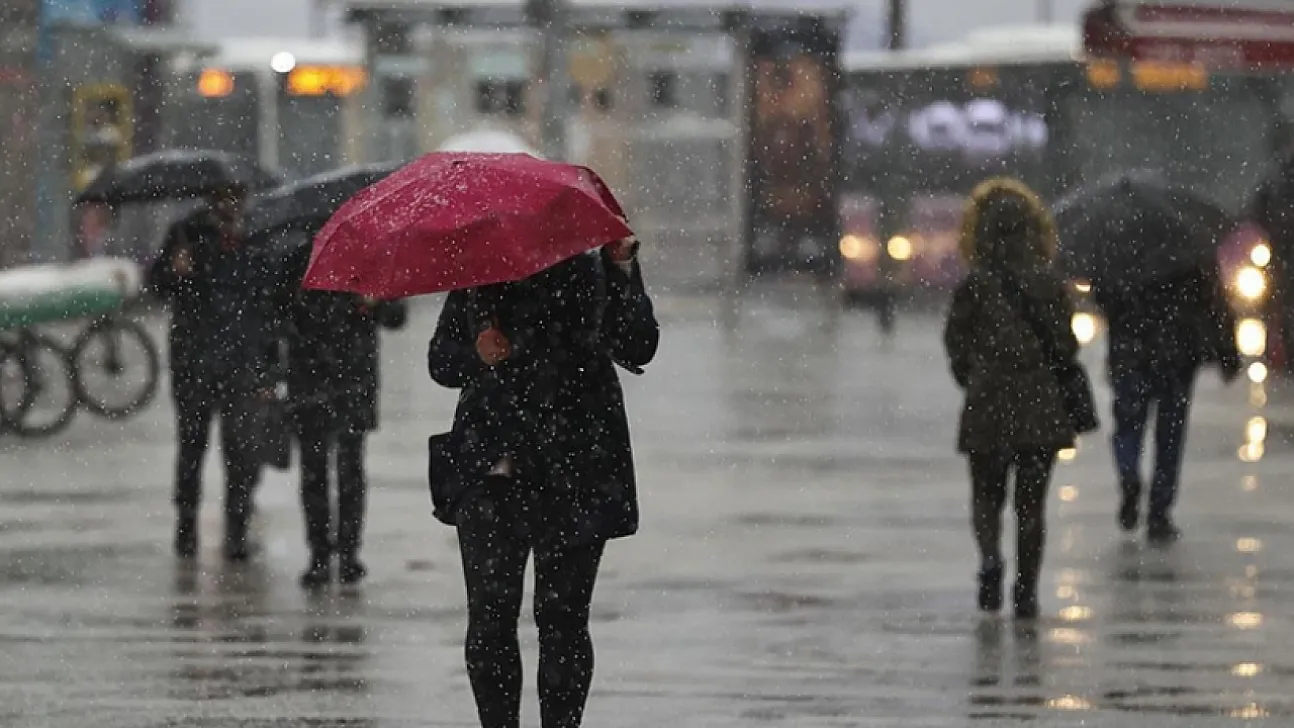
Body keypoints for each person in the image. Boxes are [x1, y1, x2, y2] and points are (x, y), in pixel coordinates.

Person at [427, 238, 658, 728]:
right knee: (491, 618)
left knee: (564, 621)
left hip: (577, 470)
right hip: (493, 472)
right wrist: (477, 351)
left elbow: (639, 344)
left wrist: (620, 267)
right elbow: (441, 363)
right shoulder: (479, 276)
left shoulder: (596, 273)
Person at [943, 178, 1078, 619]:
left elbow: (955, 343)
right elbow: (1066, 344)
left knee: (986, 495)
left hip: (988, 402)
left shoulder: (975, 284)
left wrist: (974, 376)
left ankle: (989, 559)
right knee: (1031, 505)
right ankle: (1026, 590)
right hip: (1040, 406)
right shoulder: (1048, 282)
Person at [147, 183, 276, 561]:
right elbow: (155, 286)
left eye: (237, 197)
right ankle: (186, 527)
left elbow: (268, 307)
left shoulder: (258, 236)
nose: (231, 205)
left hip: (241, 362)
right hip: (194, 360)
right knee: (192, 447)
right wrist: (175, 271)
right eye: (225, 198)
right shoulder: (186, 233)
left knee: (241, 452)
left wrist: (268, 370)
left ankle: (236, 531)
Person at [1094, 265, 1240, 543]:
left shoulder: (1121, 248)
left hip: (1130, 351)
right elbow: (1214, 302)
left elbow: (1102, 295)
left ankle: (1129, 475)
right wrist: (1226, 352)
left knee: (1128, 424)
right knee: (1170, 434)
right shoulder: (1190, 252)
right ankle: (1159, 511)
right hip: (1178, 354)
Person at [282, 267, 408, 588]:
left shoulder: (369, 266)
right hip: (310, 383)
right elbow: (279, 316)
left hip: (354, 382)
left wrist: (375, 303)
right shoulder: (300, 264)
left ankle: (349, 553)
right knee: (314, 473)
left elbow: (396, 317)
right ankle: (320, 554)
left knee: (350, 470)